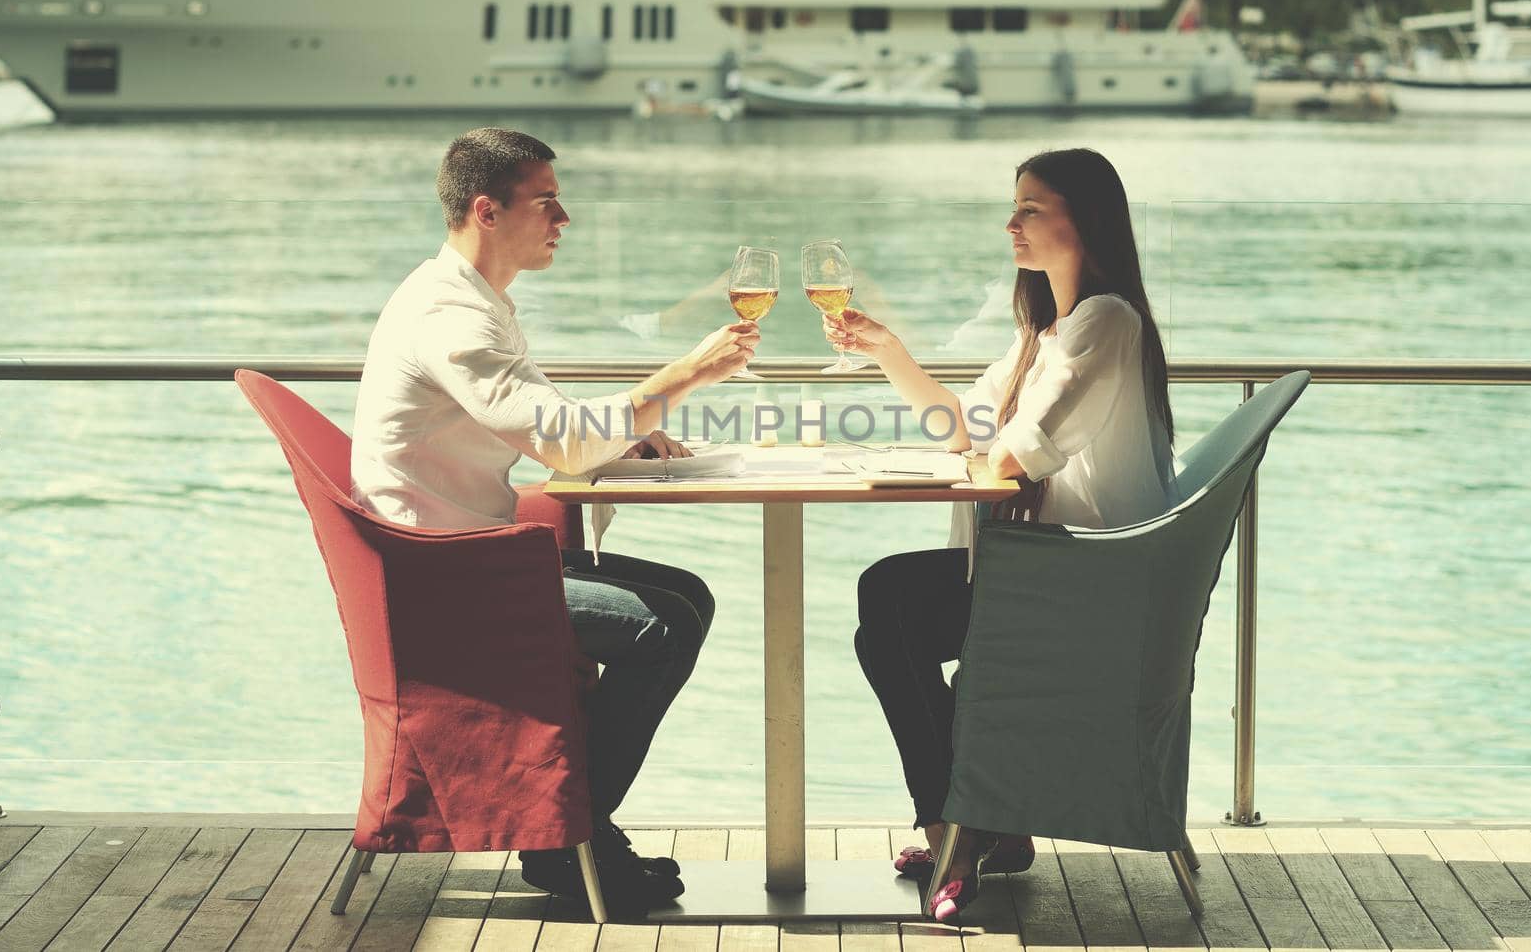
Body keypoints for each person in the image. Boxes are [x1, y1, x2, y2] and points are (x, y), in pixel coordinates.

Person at [350, 127, 759, 915]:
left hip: (473, 553)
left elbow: (554, 423)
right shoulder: (450, 316)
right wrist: (692, 370)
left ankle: (574, 828)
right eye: (547, 202)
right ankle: (566, 835)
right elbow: (561, 440)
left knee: (689, 599)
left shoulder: (478, 302)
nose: (564, 218)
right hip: (442, 574)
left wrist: (626, 428)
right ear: (487, 211)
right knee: (661, 628)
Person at [822, 148, 1177, 922]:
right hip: (1041, 572)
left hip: (1081, 582)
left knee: (886, 601)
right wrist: (888, 351)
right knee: (883, 616)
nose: (1010, 223)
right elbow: (964, 429)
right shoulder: (1046, 332)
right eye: (1014, 206)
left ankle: (962, 824)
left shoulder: (1105, 323)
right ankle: (979, 822)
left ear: (1085, 220)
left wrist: (986, 443)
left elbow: (1014, 450)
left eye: (1031, 208)